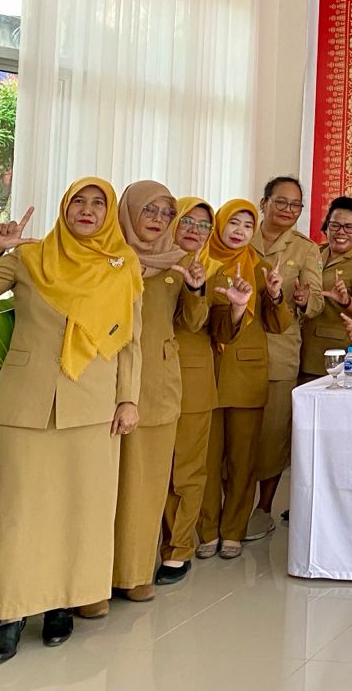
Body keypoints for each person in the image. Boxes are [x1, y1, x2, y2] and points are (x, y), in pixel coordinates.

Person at [0, 180, 143, 665]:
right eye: (78, 200)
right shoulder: (30, 259)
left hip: (94, 405)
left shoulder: (123, 267)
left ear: (109, 213)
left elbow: (130, 342)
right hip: (27, 403)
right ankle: (10, 615)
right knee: (19, 512)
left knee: (82, 509)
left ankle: (61, 605)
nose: (87, 210)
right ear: (64, 207)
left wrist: (129, 399)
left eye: (98, 202)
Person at [97, 181, 207, 613]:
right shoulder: (102, 256)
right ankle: (95, 575)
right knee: (104, 484)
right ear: (128, 212)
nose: (159, 220)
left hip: (157, 384)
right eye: (150, 211)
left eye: (166, 213)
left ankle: (136, 572)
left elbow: (192, 323)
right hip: (103, 383)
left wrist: (197, 290)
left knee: (146, 483)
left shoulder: (178, 263)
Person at [199, 200, 289, 561]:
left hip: (247, 375)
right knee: (205, 460)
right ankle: (206, 530)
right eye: (233, 222)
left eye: (247, 226)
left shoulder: (262, 266)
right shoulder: (200, 261)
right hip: (205, 374)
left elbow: (278, 324)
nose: (239, 230)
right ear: (219, 224)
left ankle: (232, 530)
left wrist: (277, 294)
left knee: (242, 459)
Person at [247, 175, 322, 541]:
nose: (288, 211)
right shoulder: (243, 235)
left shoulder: (306, 249)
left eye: (295, 206)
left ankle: (263, 508)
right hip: (235, 347)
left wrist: (306, 299)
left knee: (274, 432)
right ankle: (230, 508)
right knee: (234, 433)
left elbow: (317, 302)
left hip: (280, 349)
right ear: (264, 203)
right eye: (281, 202)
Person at [159, 197, 219, 586]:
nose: (195, 230)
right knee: (153, 470)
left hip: (192, 380)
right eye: (188, 221)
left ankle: (179, 550)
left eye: (203, 225)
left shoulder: (209, 269)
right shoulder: (147, 261)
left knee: (186, 471)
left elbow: (196, 322)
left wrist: (196, 288)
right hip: (148, 379)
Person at [305, 196, 352, 381]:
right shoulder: (313, 252)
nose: (341, 232)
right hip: (299, 347)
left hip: (333, 357)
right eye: (335, 225)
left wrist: (346, 301)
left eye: (349, 227)